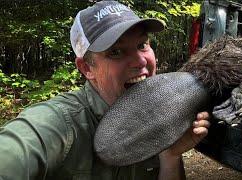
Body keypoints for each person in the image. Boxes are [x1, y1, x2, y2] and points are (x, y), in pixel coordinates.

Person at [0, 1, 210, 179]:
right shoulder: (60, 125)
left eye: (142, 45)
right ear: (87, 68)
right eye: (116, 52)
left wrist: (170, 155)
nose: (140, 61)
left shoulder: (159, 116)